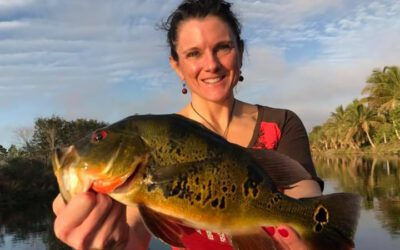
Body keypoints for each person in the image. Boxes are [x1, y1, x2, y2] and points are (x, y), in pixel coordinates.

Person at [52, 0, 323, 249]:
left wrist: (314, 229)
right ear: (177, 65)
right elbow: (133, 230)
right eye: (194, 53)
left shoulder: (281, 123)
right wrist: (113, 241)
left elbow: (305, 195)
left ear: (240, 51)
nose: (211, 64)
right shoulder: (155, 148)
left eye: (223, 47)